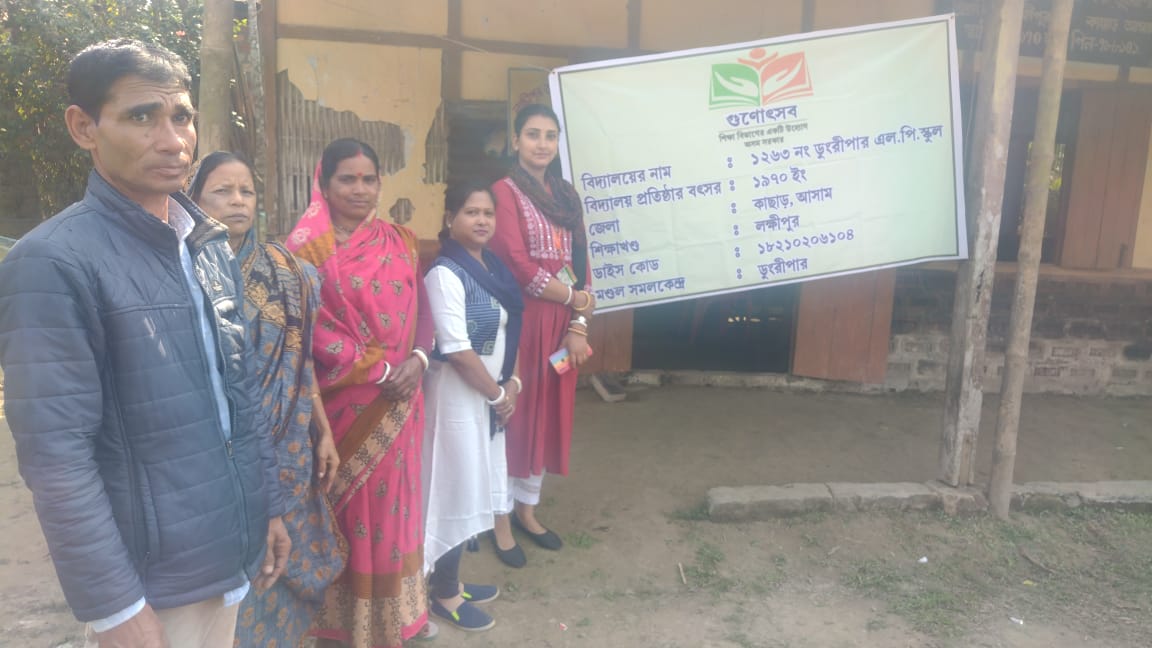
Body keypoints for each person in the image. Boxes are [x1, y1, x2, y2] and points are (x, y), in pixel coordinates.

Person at [0, 39, 289, 648]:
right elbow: (56, 456)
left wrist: (267, 507)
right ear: (84, 127)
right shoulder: (53, 262)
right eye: (141, 116)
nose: (172, 140)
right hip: (152, 586)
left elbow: (239, 394)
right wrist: (115, 607)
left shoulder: (206, 244)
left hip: (227, 553)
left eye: (182, 116)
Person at [187, 152, 348, 648]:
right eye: (222, 191)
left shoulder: (290, 273)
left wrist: (322, 431)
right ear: (193, 201)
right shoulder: (180, 273)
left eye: (247, 191)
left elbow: (301, 363)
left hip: (288, 451)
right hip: (214, 455)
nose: (237, 201)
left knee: (284, 565)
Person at [286, 138, 434, 648]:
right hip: (341, 408)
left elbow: (424, 311)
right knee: (345, 515)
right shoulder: (305, 250)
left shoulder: (402, 240)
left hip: (402, 401)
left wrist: (419, 360)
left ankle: (390, 623)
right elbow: (310, 330)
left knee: (395, 512)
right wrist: (382, 367)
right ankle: (339, 626)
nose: (359, 188)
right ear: (324, 184)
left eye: (368, 179)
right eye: (346, 178)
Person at [487, 104, 595, 567]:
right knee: (515, 414)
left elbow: (582, 264)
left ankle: (528, 510)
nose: (542, 144)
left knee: (550, 411)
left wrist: (578, 325)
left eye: (550, 135)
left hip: (562, 331)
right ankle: (499, 518)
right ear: (516, 141)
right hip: (521, 323)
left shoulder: (566, 197)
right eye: (533, 134)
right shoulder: (504, 192)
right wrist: (574, 298)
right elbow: (517, 264)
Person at [422, 181, 523, 631]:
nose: (481, 220)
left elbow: (510, 330)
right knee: (453, 490)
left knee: (472, 485)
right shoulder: (444, 274)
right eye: (470, 212)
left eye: (487, 213)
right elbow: (457, 350)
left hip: (487, 398)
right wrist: (498, 395)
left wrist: (513, 382)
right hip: (456, 401)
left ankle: (452, 581)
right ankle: (443, 594)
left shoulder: (494, 267)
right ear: (450, 219)